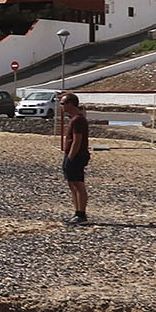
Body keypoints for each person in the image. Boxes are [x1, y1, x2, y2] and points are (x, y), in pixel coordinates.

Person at [59, 92, 90, 224]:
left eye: (63, 103)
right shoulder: (74, 119)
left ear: (70, 104)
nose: (61, 106)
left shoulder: (78, 120)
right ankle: (77, 212)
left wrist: (71, 157)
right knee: (72, 184)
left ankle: (81, 214)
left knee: (78, 184)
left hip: (76, 156)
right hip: (72, 155)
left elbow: (77, 141)